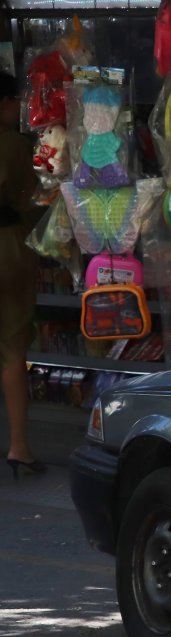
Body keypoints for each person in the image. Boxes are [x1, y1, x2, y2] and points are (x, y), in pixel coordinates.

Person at [0, 69, 44, 477]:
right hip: (6, 248)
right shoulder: (15, 145)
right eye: (15, 101)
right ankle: (18, 446)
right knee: (12, 350)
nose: (19, 108)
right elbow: (34, 198)